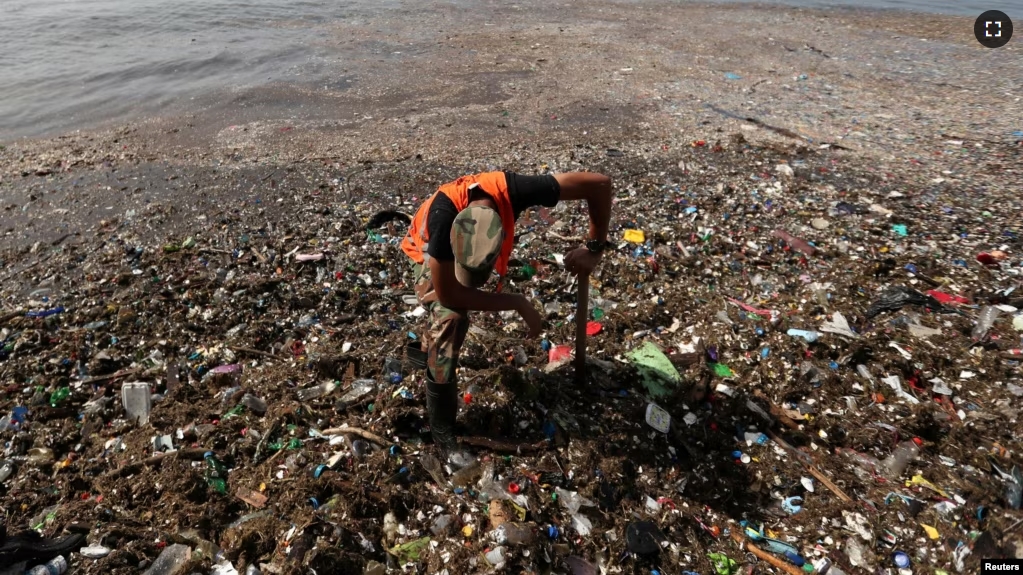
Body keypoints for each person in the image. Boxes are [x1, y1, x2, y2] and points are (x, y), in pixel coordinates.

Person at [401, 170, 613, 460]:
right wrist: (516, 303)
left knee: (455, 309)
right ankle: (442, 428)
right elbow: (451, 294)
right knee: (450, 318)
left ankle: (426, 349)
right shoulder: (441, 225)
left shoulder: (515, 190)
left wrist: (594, 248)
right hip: (422, 247)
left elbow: (599, 184)